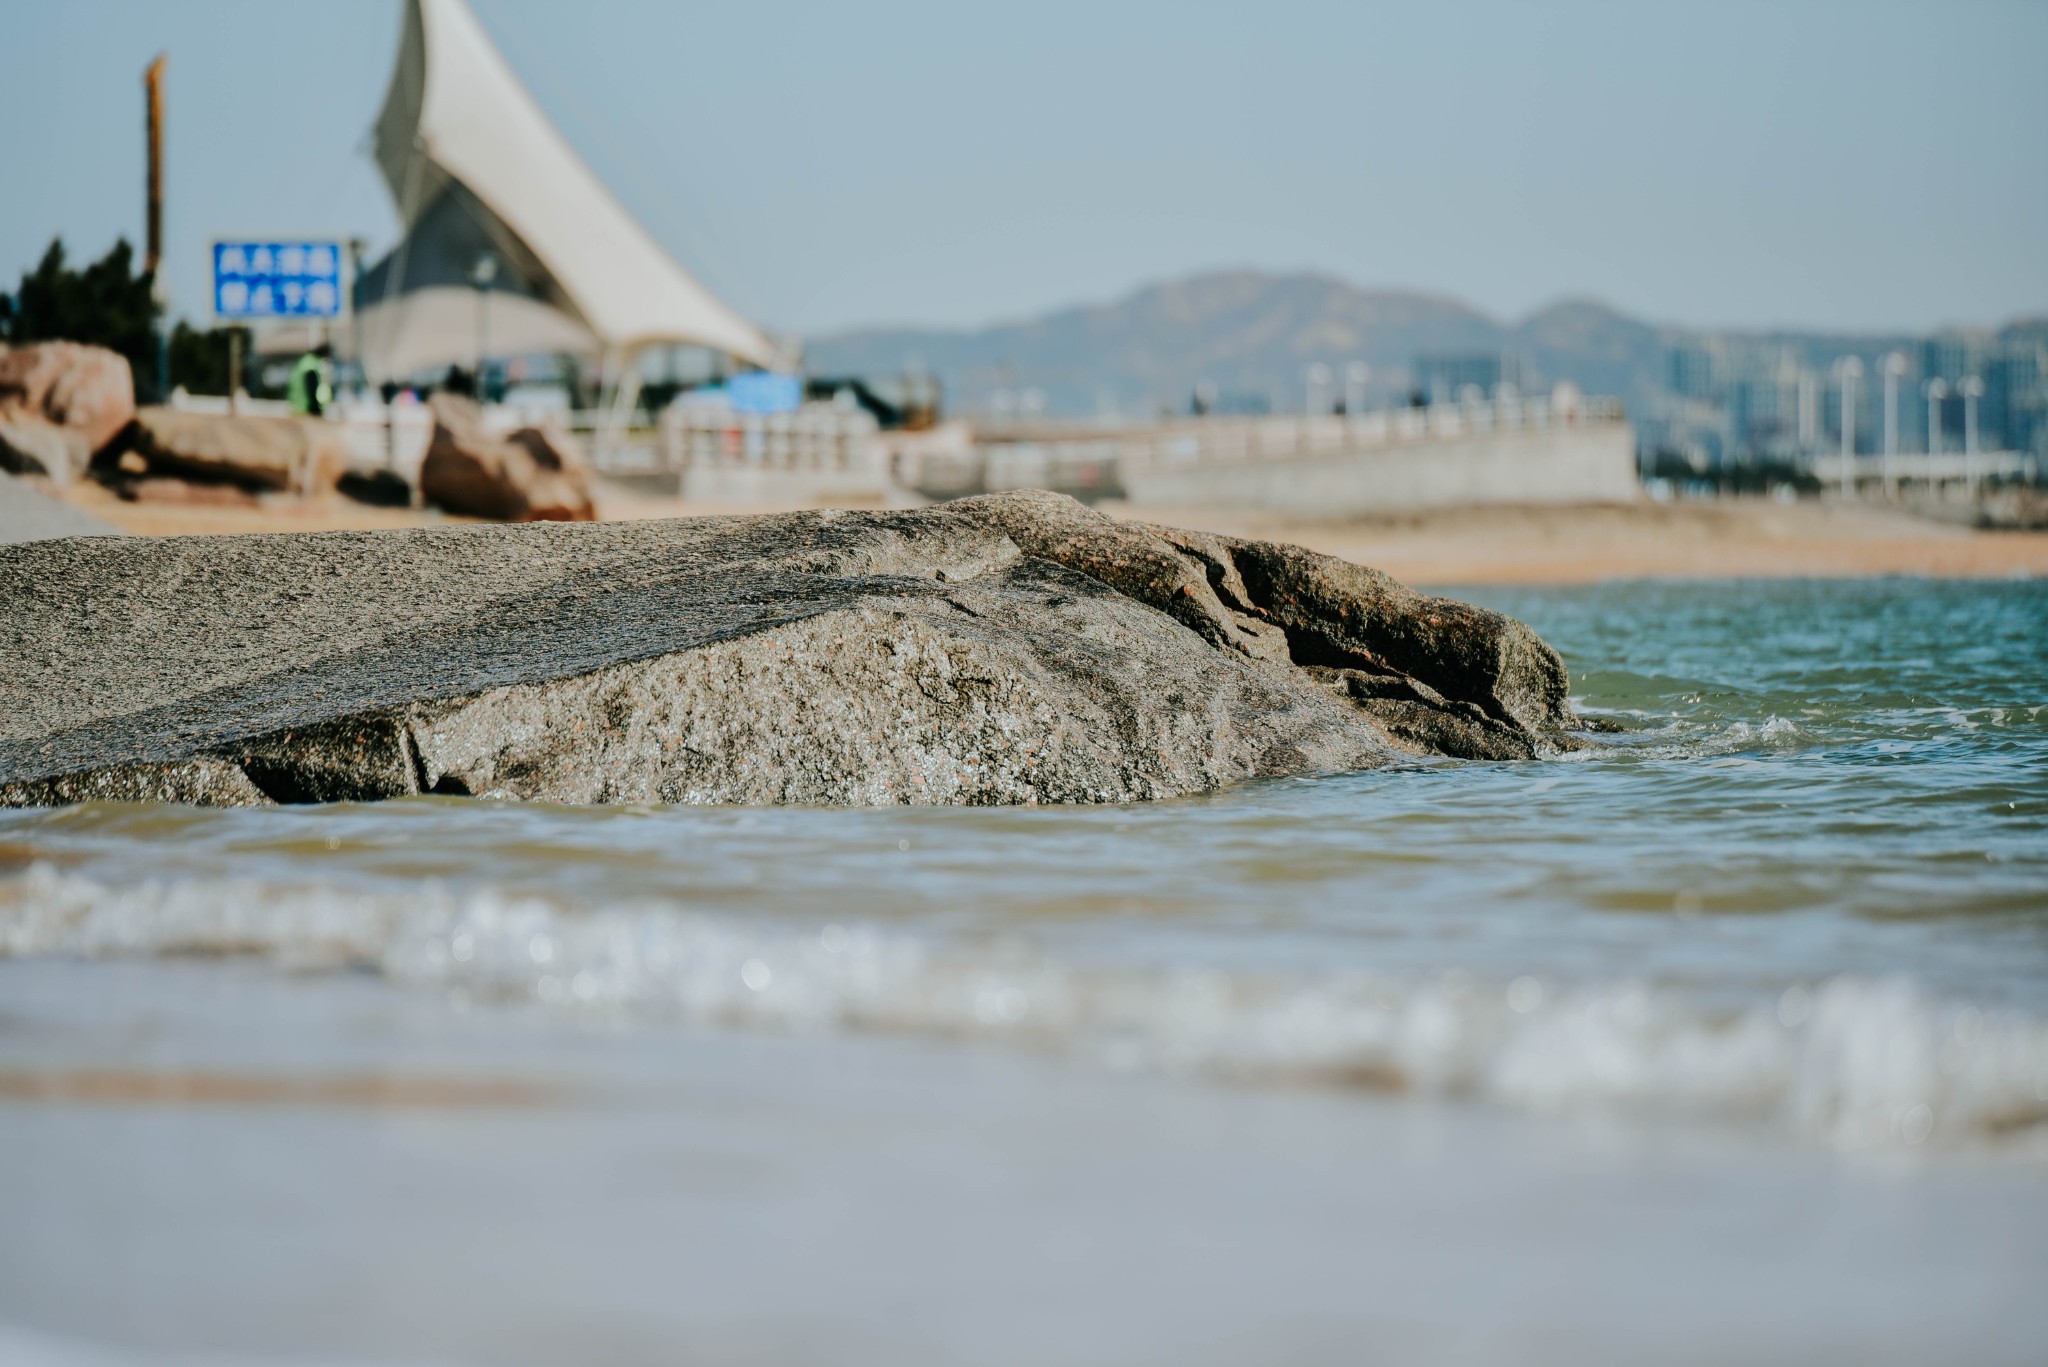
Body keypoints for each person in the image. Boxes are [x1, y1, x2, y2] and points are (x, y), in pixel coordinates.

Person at [288, 343, 334, 417]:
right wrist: (315, 408)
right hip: (306, 408)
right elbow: (311, 387)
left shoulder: (306, 361)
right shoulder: (312, 364)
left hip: (297, 407)